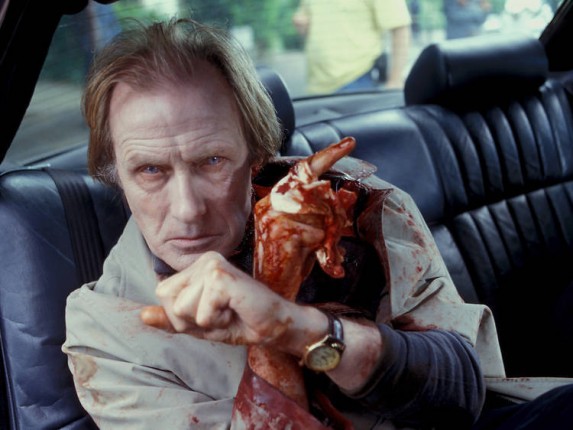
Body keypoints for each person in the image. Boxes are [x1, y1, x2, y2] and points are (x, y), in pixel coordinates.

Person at [62, 17, 573, 429]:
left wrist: (302, 328)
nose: (187, 209)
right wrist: (274, 342)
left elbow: (460, 389)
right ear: (115, 175)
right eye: (150, 171)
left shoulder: (350, 204)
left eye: (212, 161)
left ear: (256, 154)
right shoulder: (104, 329)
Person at [292, 0, 412, 94]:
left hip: (358, 81)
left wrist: (395, 81)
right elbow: (305, 23)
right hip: (316, 87)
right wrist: (302, 25)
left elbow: (400, 27)